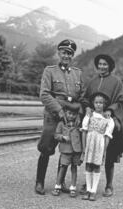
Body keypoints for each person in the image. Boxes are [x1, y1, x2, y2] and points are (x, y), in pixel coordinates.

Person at [35, 39, 85, 195]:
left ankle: (60, 182)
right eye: (64, 52)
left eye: (70, 53)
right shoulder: (49, 71)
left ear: (72, 55)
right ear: (59, 53)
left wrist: (80, 113)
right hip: (53, 117)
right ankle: (39, 182)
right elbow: (44, 94)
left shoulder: (78, 73)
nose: (67, 55)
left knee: (67, 150)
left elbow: (83, 97)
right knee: (46, 148)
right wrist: (59, 110)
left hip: (70, 120)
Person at [80, 54, 123, 197]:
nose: (102, 66)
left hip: (109, 123)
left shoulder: (116, 82)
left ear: (110, 66)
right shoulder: (92, 82)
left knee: (109, 154)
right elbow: (85, 99)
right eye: (99, 64)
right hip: (94, 123)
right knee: (90, 154)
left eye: (105, 64)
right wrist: (87, 107)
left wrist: (111, 109)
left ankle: (109, 185)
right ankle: (88, 184)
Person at [80, 92, 115, 201]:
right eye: (96, 102)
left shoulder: (108, 119)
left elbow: (107, 136)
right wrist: (84, 148)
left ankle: (93, 190)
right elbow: (84, 132)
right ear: (93, 103)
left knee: (96, 166)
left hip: (99, 145)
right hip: (89, 144)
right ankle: (88, 190)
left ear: (105, 104)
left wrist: (104, 150)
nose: (98, 105)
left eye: (101, 103)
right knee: (88, 165)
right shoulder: (89, 115)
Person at [51, 107, 83, 198]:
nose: (71, 116)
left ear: (76, 115)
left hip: (76, 150)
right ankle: (58, 186)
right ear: (65, 113)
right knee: (63, 167)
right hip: (65, 150)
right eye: (69, 113)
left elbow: (81, 136)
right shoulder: (61, 124)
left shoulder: (78, 124)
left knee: (74, 168)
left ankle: (73, 187)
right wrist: (63, 137)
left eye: (73, 114)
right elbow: (56, 135)